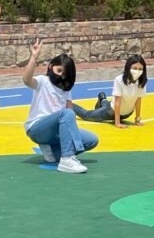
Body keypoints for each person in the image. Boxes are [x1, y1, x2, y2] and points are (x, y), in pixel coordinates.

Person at [22, 39, 98, 174]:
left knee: (91, 140)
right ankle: (67, 159)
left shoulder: (66, 90)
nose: (61, 76)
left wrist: (71, 134)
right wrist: (34, 57)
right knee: (68, 113)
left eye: (65, 74)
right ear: (51, 66)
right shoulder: (43, 81)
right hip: (38, 128)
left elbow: (69, 111)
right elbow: (27, 80)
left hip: (56, 133)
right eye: (59, 70)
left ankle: (53, 151)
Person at [73, 55, 147, 129]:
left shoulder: (141, 82)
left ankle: (102, 99)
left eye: (140, 69)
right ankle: (69, 104)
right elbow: (117, 102)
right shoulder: (119, 80)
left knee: (106, 104)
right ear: (128, 67)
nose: (137, 71)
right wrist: (117, 122)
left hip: (127, 114)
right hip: (111, 111)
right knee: (87, 115)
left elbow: (138, 101)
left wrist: (137, 119)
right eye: (135, 68)